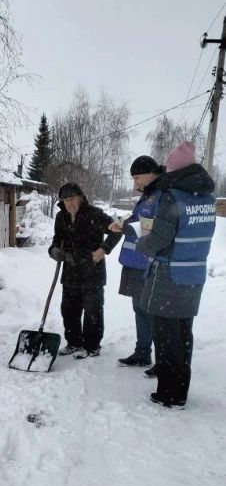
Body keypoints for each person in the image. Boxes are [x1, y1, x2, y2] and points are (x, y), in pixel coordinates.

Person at [134, 141, 216, 408]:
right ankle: (180, 389)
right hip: (193, 275)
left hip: (169, 276)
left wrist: (142, 242)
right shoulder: (206, 199)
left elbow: (160, 238)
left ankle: (170, 394)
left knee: (167, 336)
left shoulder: (173, 196)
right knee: (183, 334)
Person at [49, 182, 121, 358]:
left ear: (81, 198)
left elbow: (117, 230)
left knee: (92, 312)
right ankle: (73, 343)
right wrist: (54, 251)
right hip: (70, 272)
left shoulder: (94, 214)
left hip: (92, 272)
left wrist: (103, 249)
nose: (69, 204)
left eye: (72, 199)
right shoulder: (61, 217)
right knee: (69, 310)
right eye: (65, 200)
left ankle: (91, 346)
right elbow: (57, 240)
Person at [116, 155, 163, 370]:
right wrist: (124, 223)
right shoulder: (148, 195)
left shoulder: (161, 195)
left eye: (137, 178)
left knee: (152, 312)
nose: (135, 183)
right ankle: (142, 352)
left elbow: (152, 229)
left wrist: (126, 227)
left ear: (151, 173)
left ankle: (162, 360)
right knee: (140, 309)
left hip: (148, 263)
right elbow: (139, 220)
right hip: (136, 262)